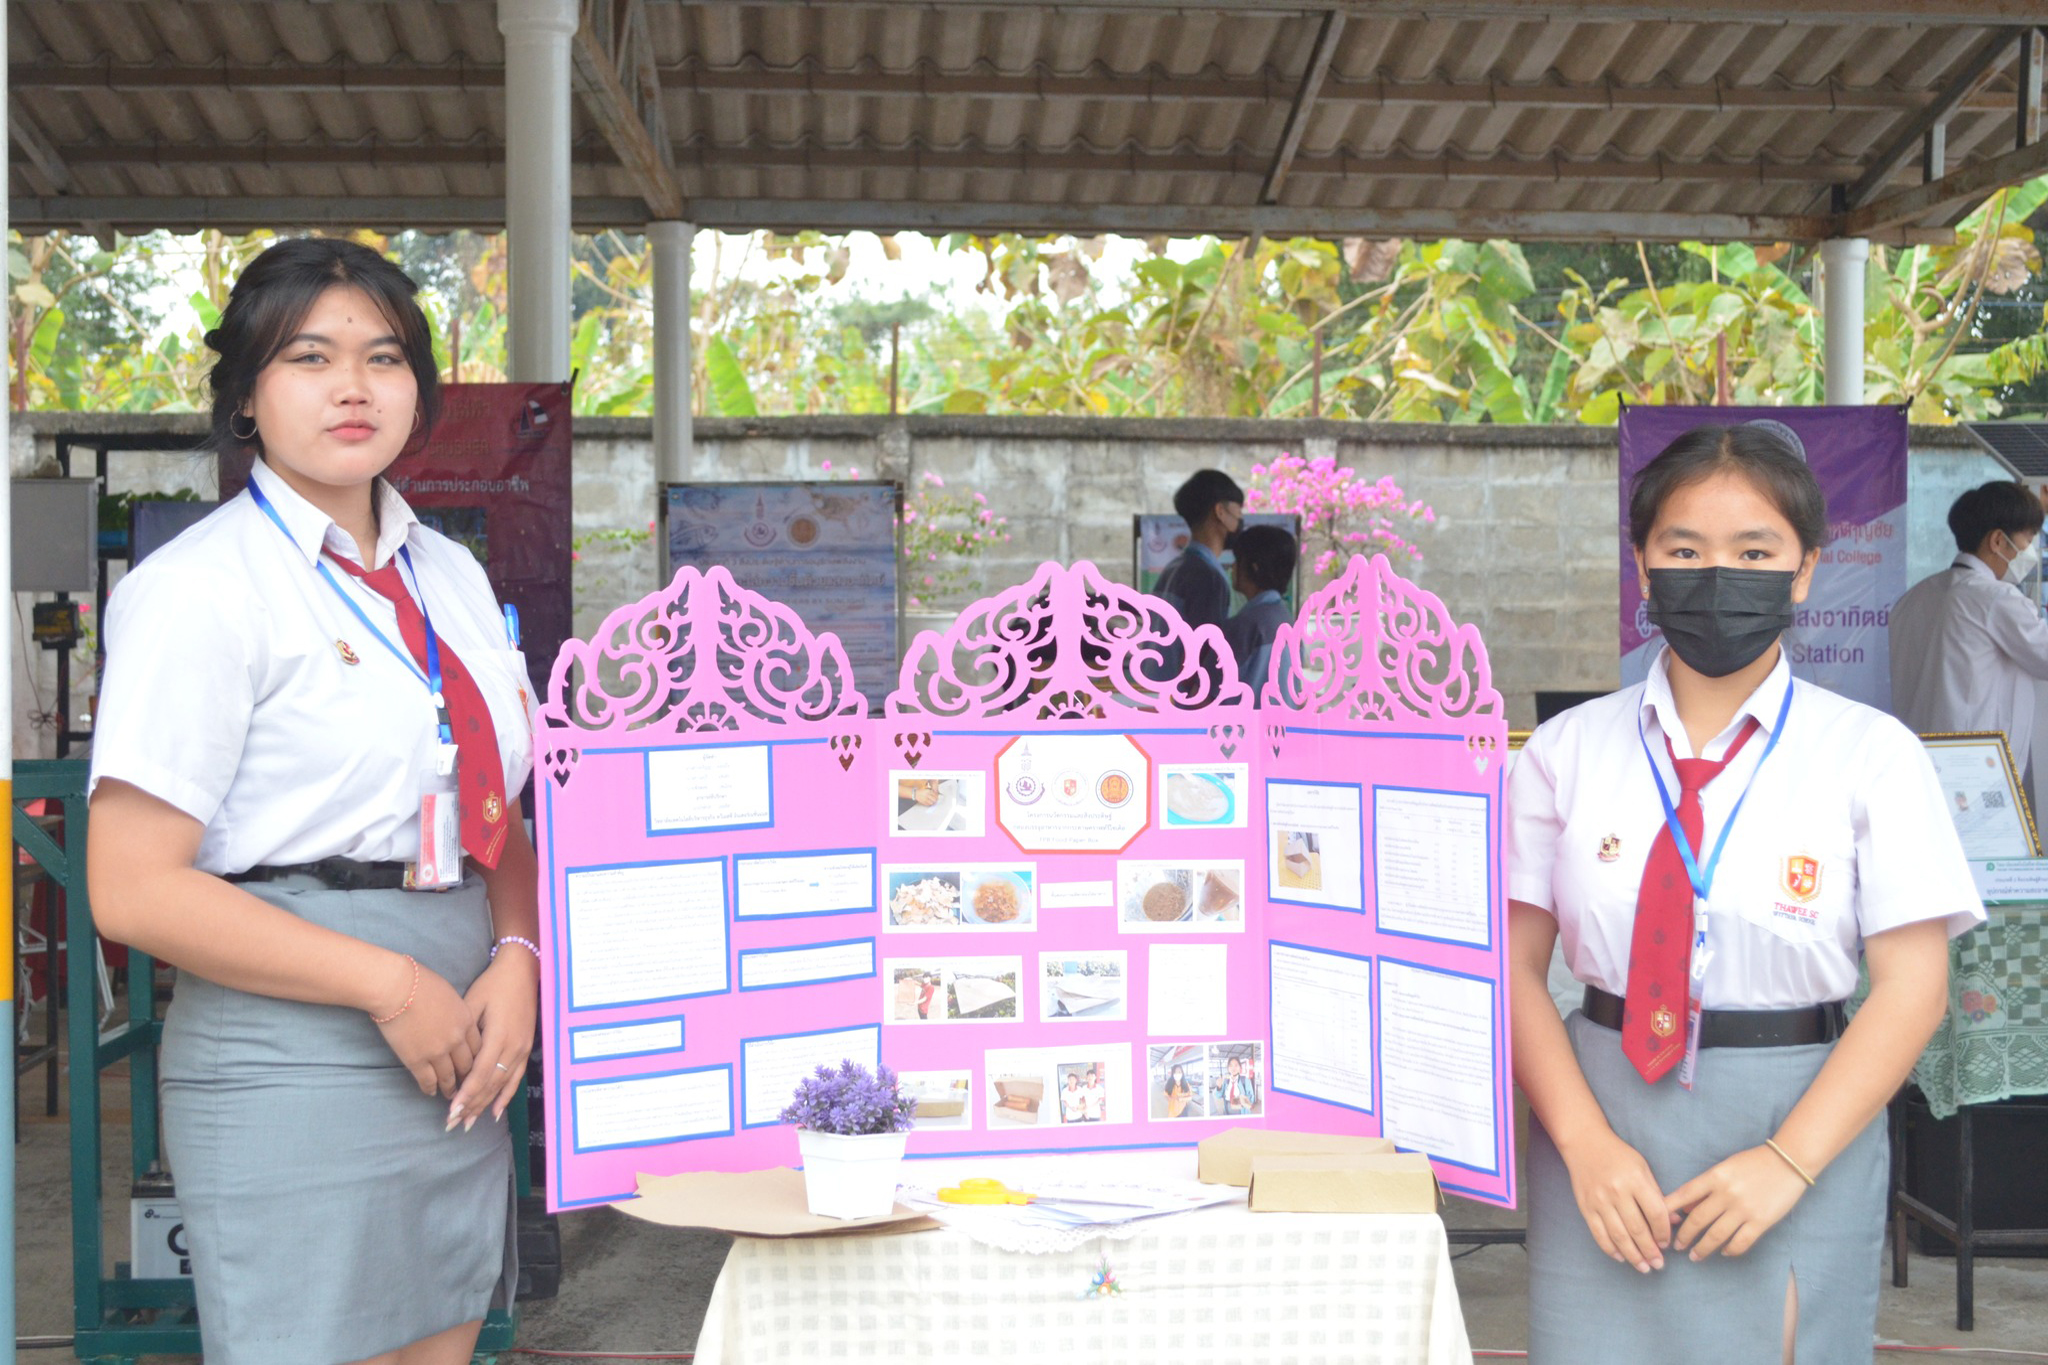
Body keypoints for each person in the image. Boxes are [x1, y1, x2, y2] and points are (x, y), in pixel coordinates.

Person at [85, 238, 540, 1365]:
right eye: (311, 357)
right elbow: (130, 890)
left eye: (384, 358)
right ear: (247, 396)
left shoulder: (452, 576)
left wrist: (520, 953)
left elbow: (498, 810)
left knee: (442, 1345)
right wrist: (388, 985)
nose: (353, 387)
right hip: (294, 1042)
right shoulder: (198, 591)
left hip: (462, 1033)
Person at [1508, 423, 1981, 1365]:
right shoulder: (1565, 752)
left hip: (1798, 1119)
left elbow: (1912, 985)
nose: (1716, 573)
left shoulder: (1871, 752)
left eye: (1754, 551)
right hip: (1600, 1119)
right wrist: (1586, 1145)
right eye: (1684, 549)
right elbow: (1511, 966)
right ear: (1642, 566)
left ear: (1804, 570)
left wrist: (1789, 1159)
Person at [1890, 479, 2048, 783]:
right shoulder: (1997, 599)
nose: (2030, 553)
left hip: (1916, 762)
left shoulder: (1914, 597)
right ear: (1998, 541)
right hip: (1974, 770)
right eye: (2028, 541)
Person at [1153, 468, 1245, 632]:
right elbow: (1206, 651)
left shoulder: (1173, 569)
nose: (1240, 518)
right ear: (1220, 512)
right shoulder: (1208, 577)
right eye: (1239, 510)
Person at [1222, 523, 1297, 700]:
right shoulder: (1287, 620)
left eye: (1237, 560)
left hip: (1241, 727)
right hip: (1281, 727)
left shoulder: (1244, 625)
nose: (1233, 567)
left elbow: (1204, 697)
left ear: (1254, 567)